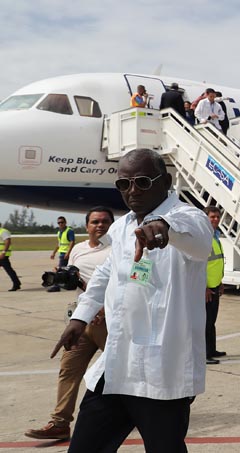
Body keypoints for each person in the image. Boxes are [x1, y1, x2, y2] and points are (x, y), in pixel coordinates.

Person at [51, 148, 213, 452]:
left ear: (165, 181)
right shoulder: (123, 226)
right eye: (124, 184)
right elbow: (105, 273)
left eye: (141, 181)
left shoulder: (188, 217)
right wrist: (80, 317)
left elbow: (200, 244)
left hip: (160, 372)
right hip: (115, 366)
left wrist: (165, 229)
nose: (132, 191)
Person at [24, 207, 114, 440]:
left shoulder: (118, 248)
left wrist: (104, 308)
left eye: (105, 221)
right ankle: (60, 423)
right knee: (69, 369)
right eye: (95, 222)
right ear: (87, 226)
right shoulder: (78, 250)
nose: (100, 225)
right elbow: (80, 284)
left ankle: (137, 414)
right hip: (83, 322)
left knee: (121, 370)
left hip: (112, 321)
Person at [204, 206, 225, 365]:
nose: (216, 219)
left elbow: (217, 261)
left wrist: (221, 281)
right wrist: (204, 287)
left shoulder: (215, 236)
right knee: (205, 322)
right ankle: (204, 354)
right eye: (212, 217)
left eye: (218, 217)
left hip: (215, 285)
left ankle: (212, 349)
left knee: (212, 321)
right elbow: (199, 264)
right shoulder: (204, 237)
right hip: (207, 288)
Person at [48, 216, 75, 292]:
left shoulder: (69, 231)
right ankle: (69, 284)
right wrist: (54, 253)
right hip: (61, 253)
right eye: (59, 223)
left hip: (66, 253)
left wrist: (68, 253)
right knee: (67, 270)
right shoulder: (59, 232)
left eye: (62, 222)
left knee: (59, 270)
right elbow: (59, 244)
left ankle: (56, 286)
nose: (60, 224)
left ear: (65, 222)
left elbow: (72, 242)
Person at [0, 222, 21, 291]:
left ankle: (16, 284)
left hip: (3, 255)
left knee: (9, 270)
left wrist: (3, 252)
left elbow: (7, 241)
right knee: (9, 270)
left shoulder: (3, 231)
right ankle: (17, 283)